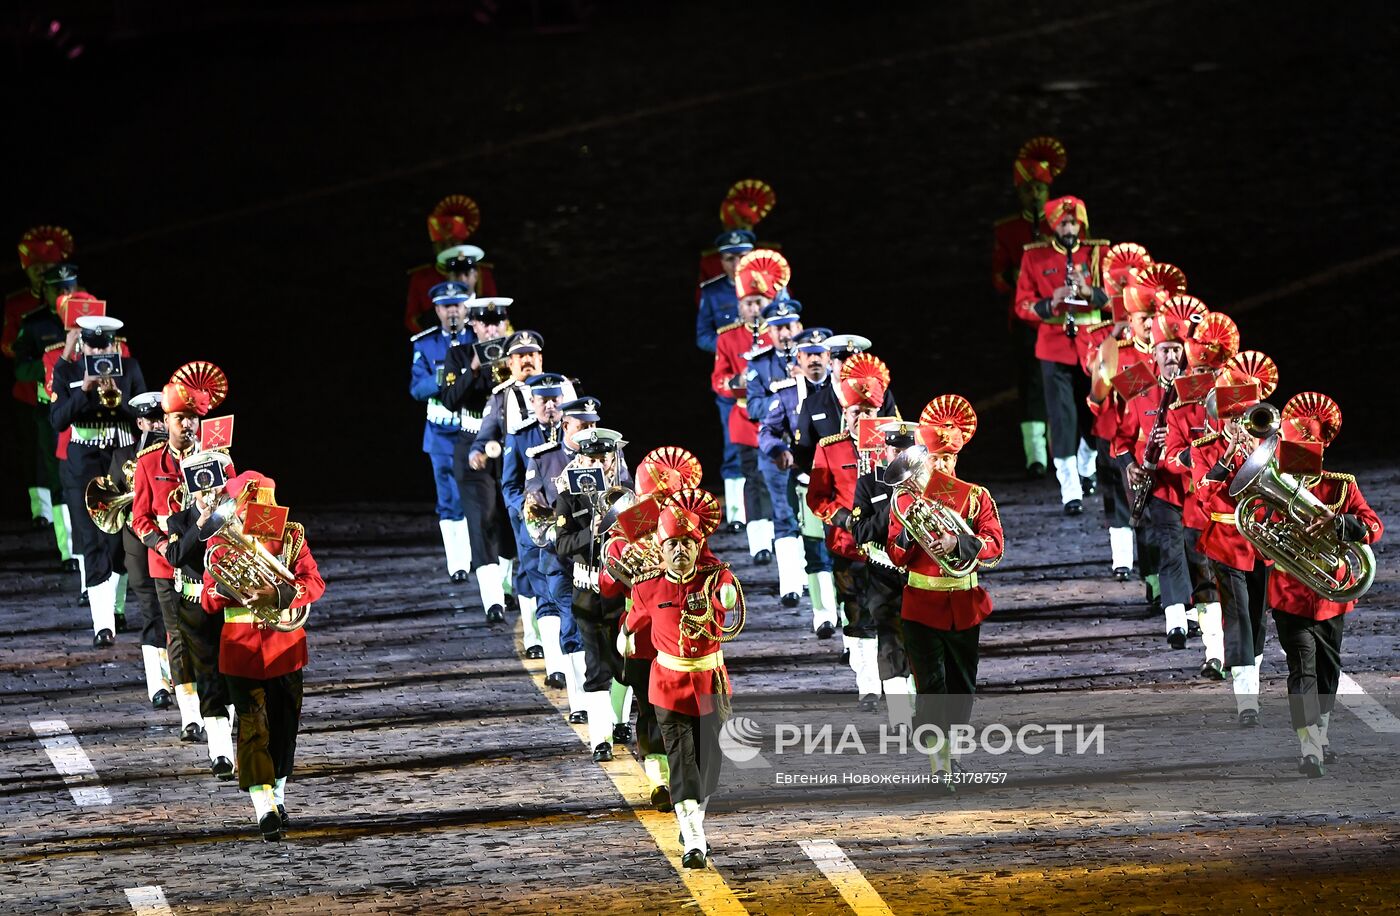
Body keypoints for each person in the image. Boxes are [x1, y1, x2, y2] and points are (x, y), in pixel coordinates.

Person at [886, 396, 1004, 786]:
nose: (942, 467)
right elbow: (896, 554)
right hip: (921, 605)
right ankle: (940, 765)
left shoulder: (976, 496)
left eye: (948, 459)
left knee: (961, 689)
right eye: (936, 459)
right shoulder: (906, 499)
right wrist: (911, 531)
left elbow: (994, 548)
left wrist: (959, 544)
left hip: (965, 603)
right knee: (931, 685)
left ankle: (947, 752)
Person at [620, 488, 741, 869]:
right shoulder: (647, 584)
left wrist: (725, 594)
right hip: (668, 686)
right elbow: (631, 624)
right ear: (661, 545)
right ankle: (694, 840)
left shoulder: (716, 576)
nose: (680, 551)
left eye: (688, 543)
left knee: (710, 766)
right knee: (682, 763)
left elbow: (728, 600)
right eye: (672, 543)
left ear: (698, 544)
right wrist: (624, 640)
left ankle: (692, 821)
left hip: (710, 685)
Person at [202, 471, 325, 841]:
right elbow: (208, 599)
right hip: (240, 649)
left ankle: (279, 795)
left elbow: (315, 582)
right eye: (248, 504)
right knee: (253, 728)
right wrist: (231, 589)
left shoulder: (291, 538)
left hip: (285, 648)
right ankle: (263, 806)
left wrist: (280, 596)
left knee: (284, 729)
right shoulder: (222, 545)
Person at [1262, 394, 1381, 777]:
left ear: (1320, 448)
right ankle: (1308, 745)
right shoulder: (1273, 486)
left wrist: (1341, 524)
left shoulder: (1341, 488)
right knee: (1302, 668)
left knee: (1328, 670)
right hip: (1289, 593)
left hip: (1331, 595)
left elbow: (1374, 526)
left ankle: (1322, 735)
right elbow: (1257, 529)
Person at [603, 446, 708, 810]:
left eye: (665, 497)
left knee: (677, 711)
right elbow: (607, 584)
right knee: (651, 710)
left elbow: (707, 571)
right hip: (649, 636)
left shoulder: (684, 528)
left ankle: (681, 775)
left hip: (680, 634)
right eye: (655, 497)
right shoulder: (628, 527)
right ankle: (660, 778)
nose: (660, 504)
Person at [131, 363, 230, 741]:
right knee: (177, 638)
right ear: (166, 419)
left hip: (208, 562)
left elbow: (232, 506)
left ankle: (218, 707)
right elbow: (139, 518)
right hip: (165, 563)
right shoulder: (147, 463)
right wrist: (159, 543)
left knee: (213, 637)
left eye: (192, 419)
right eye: (179, 419)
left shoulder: (217, 458)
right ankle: (191, 716)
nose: (186, 425)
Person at [1192, 351, 1282, 722]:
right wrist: (1228, 457)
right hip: (1226, 543)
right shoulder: (1204, 450)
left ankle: (1251, 680)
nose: (1236, 425)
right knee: (1239, 615)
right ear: (1219, 419)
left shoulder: (1269, 446)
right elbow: (1203, 495)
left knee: (1259, 618)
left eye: (1241, 417)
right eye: (1229, 418)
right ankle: (1246, 700)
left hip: (1261, 542)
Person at [49, 315, 147, 647]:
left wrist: (120, 401)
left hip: (120, 457)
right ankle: (102, 624)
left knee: (120, 539)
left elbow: (144, 416)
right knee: (91, 540)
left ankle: (116, 607)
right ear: (83, 344)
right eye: (91, 345)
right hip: (84, 460)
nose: (97, 351)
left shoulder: (129, 368)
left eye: (103, 345)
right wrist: (85, 390)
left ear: (114, 345)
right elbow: (58, 421)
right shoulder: (69, 371)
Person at [1014, 195, 1109, 514]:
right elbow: (1022, 304)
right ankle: (1070, 489)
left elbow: (1116, 298)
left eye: (1073, 222)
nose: (1069, 228)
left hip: (1094, 348)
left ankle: (1086, 466)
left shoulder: (1098, 253)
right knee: (1062, 419)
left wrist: (1089, 293)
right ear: (1054, 226)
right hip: (1054, 347)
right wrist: (1050, 302)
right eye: (1063, 223)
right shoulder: (1035, 258)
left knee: (1094, 416)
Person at [808, 354, 894, 695]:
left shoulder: (895, 447)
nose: (862, 417)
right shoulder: (830, 449)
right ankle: (868, 686)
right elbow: (816, 498)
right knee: (857, 614)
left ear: (880, 413)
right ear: (845, 413)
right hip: (848, 545)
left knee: (889, 618)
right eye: (856, 411)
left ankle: (896, 686)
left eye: (869, 411)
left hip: (888, 547)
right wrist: (842, 518)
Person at [553, 427, 632, 761]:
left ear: (613, 460)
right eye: (592, 458)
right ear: (580, 460)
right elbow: (561, 545)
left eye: (604, 458)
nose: (599, 464)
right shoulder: (568, 498)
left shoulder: (628, 495)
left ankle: (621, 722)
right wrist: (592, 531)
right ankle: (601, 738)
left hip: (623, 594)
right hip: (588, 592)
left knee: (625, 664)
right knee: (596, 666)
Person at [992, 138, 1065, 478]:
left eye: (1039, 188)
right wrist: (1016, 276)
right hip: (1026, 320)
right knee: (1031, 386)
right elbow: (998, 278)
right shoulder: (1007, 230)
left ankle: (1067, 453)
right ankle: (1036, 456)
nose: (1034, 195)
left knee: (1064, 385)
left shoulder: (1063, 225)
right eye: (1027, 190)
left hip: (1061, 318)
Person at [759, 326, 839, 633]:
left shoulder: (846, 391)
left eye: (821, 354)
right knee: (816, 547)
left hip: (845, 484)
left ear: (829, 358)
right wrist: (778, 449)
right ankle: (824, 616)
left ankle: (854, 628)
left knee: (847, 552)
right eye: (810, 355)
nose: (816, 360)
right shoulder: (787, 392)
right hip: (808, 479)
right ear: (799, 357)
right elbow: (766, 430)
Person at [711, 249, 790, 557]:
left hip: (779, 419)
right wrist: (737, 383)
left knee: (780, 478)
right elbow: (719, 380)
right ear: (740, 306)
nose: (754, 309)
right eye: (748, 303)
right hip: (745, 420)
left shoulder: (778, 334)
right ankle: (759, 543)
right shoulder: (728, 339)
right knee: (753, 480)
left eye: (759, 303)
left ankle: (783, 535)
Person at [103, 390, 173, 709]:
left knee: (172, 608)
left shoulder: (178, 453)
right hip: (136, 541)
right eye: (152, 420)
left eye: (162, 418)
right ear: (141, 422)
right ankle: (157, 684)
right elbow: (114, 499)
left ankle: (177, 673)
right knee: (149, 610)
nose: (158, 425)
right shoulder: (123, 457)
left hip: (170, 540)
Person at [4, 226, 74, 529]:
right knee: (36, 452)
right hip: (31, 391)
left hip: (66, 391)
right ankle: (42, 512)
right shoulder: (19, 303)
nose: (41, 273)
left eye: (47, 268)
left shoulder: (74, 301)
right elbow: (8, 344)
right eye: (36, 269)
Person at [850, 420, 916, 730]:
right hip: (883, 573)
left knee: (920, 640)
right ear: (884, 450)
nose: (900, 454)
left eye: (906, 449)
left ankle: (923, 709)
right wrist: (894, 505)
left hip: (920, 573)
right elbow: (860, 532)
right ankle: (901, 716)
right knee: (890, 641)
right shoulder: (868, 484)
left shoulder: (929, 482)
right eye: (895, 449)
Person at [501, 373, 572, 661]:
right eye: (543, 400)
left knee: (568, 596)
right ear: (532, 402)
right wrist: (530, 511)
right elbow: (510, 485)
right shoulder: (520, 435)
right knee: (545, 593)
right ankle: (555, 664)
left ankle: (566, 660)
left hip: (571, 528)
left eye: (555, 399)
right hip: (535, 529)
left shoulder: (574, 434)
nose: (550, 406)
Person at [409, 281, 476, 582]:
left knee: (478, 496)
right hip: (440, 433)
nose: (452, 311)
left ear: (466, 308)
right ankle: (458, 564)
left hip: (473, 430)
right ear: (437, 310)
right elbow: (417, 388)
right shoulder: (424, 344)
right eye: (446, 306)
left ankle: (481, 558)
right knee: (449, 500)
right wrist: (447, 381)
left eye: (457, 305)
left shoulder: (477, 339)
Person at [746, 296, 810, 605]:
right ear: (769, 332)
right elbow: (753, 406)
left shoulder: (814, 357)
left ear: (799, 326)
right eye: (779, 329)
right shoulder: (759, 364)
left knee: (814, 514)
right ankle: (791, 584)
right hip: (776, 447)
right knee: (784, 515)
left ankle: (814, 575)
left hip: (811, 449)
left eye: (789, 326)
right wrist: (782, 391)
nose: (785, 334)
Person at [403, 194, 499, 333]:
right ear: (434, 247)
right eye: (442, 245)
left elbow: (495, 308)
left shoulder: (481, 272)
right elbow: (412, 319)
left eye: (453, 243)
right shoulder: (421, 277)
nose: (448, 248)